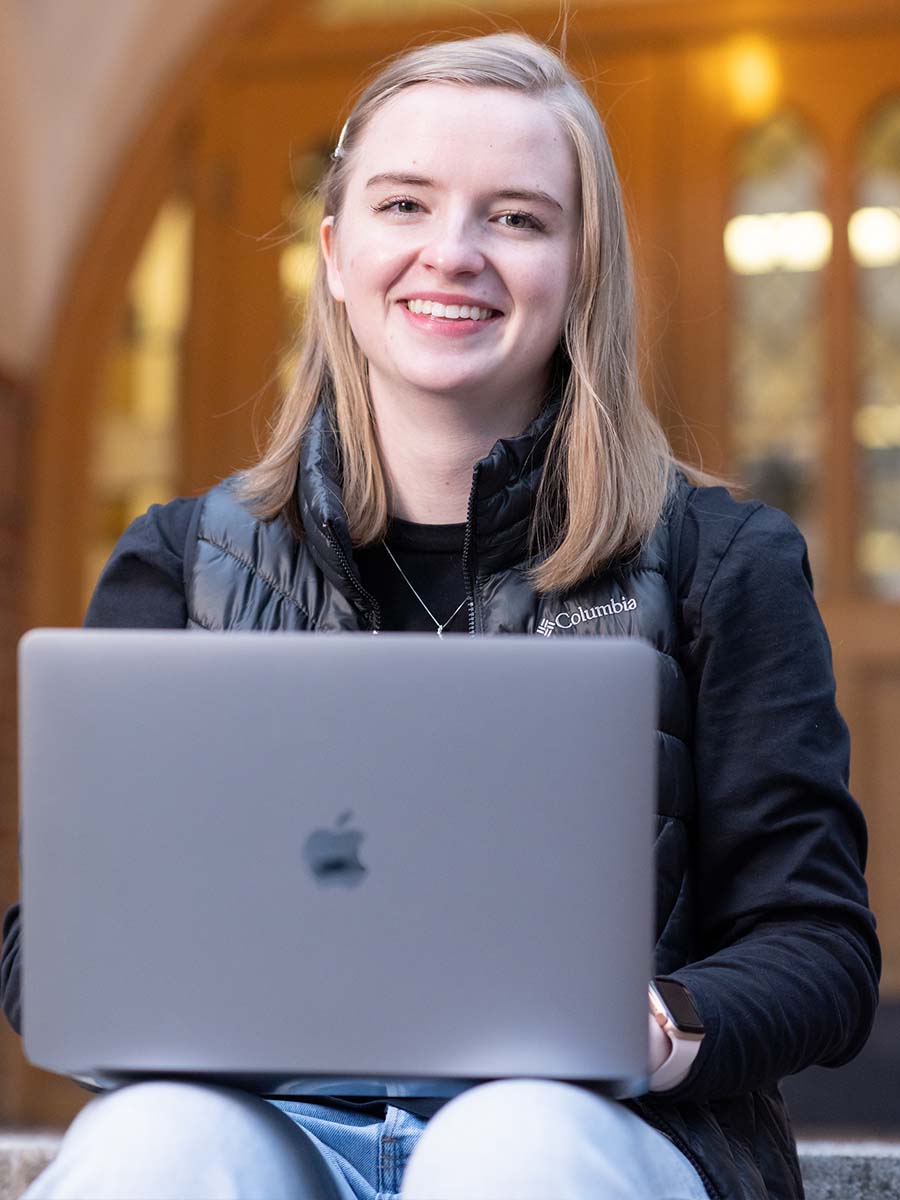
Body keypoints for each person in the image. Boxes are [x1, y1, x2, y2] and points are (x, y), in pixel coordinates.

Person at [1, 30, 879, 1200]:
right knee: (153, 1150)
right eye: (405, 204)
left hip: (589, 1134)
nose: (450, 254)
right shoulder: (181, 563)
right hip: (271, 1130)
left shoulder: (723, 561)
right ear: (335, 251)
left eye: (516, 218)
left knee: (506, 1147)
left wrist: (665, 1022)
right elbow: (52, 945)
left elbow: (821, 949)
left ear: (583, 267)